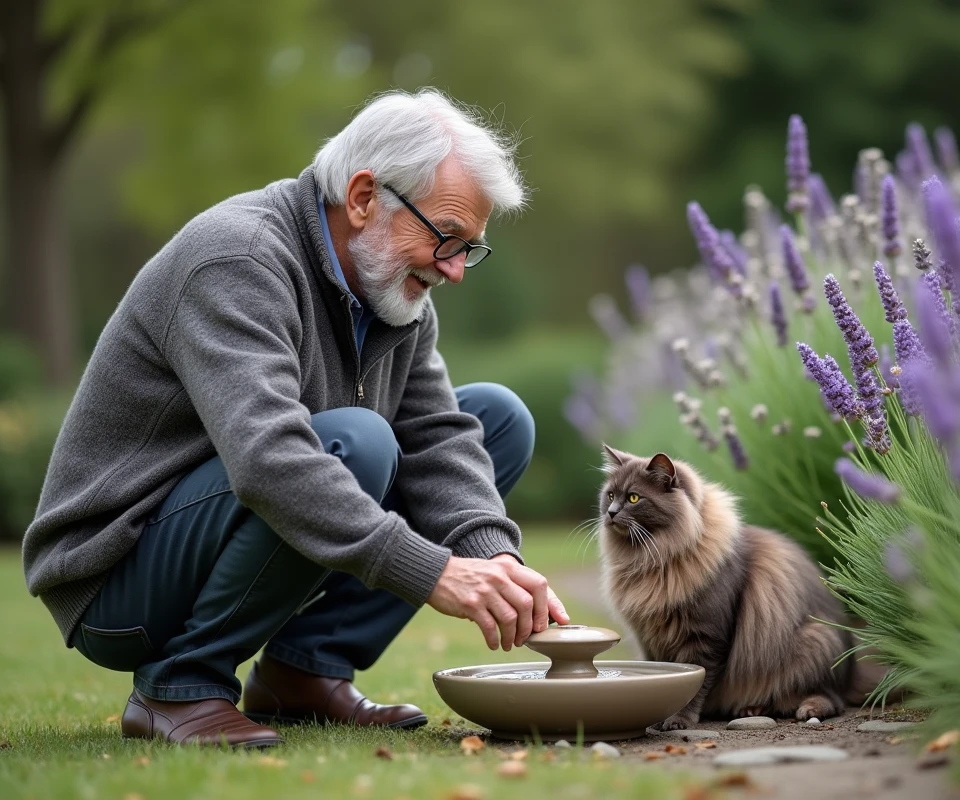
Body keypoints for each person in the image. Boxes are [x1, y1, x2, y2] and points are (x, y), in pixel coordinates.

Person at [22, 89, 570, 749]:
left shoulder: (395, 292)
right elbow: (269, 457)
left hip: (215, 523)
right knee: (357, 443)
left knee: (496, 419)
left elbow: (436, 436)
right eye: (447, 238)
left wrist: (494, 560)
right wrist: (435, 571)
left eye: (470, 248)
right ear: (365, 197)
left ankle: (303, 673)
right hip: (115, 579)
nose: (455, 270)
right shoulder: (238, 257)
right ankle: (179, 686)